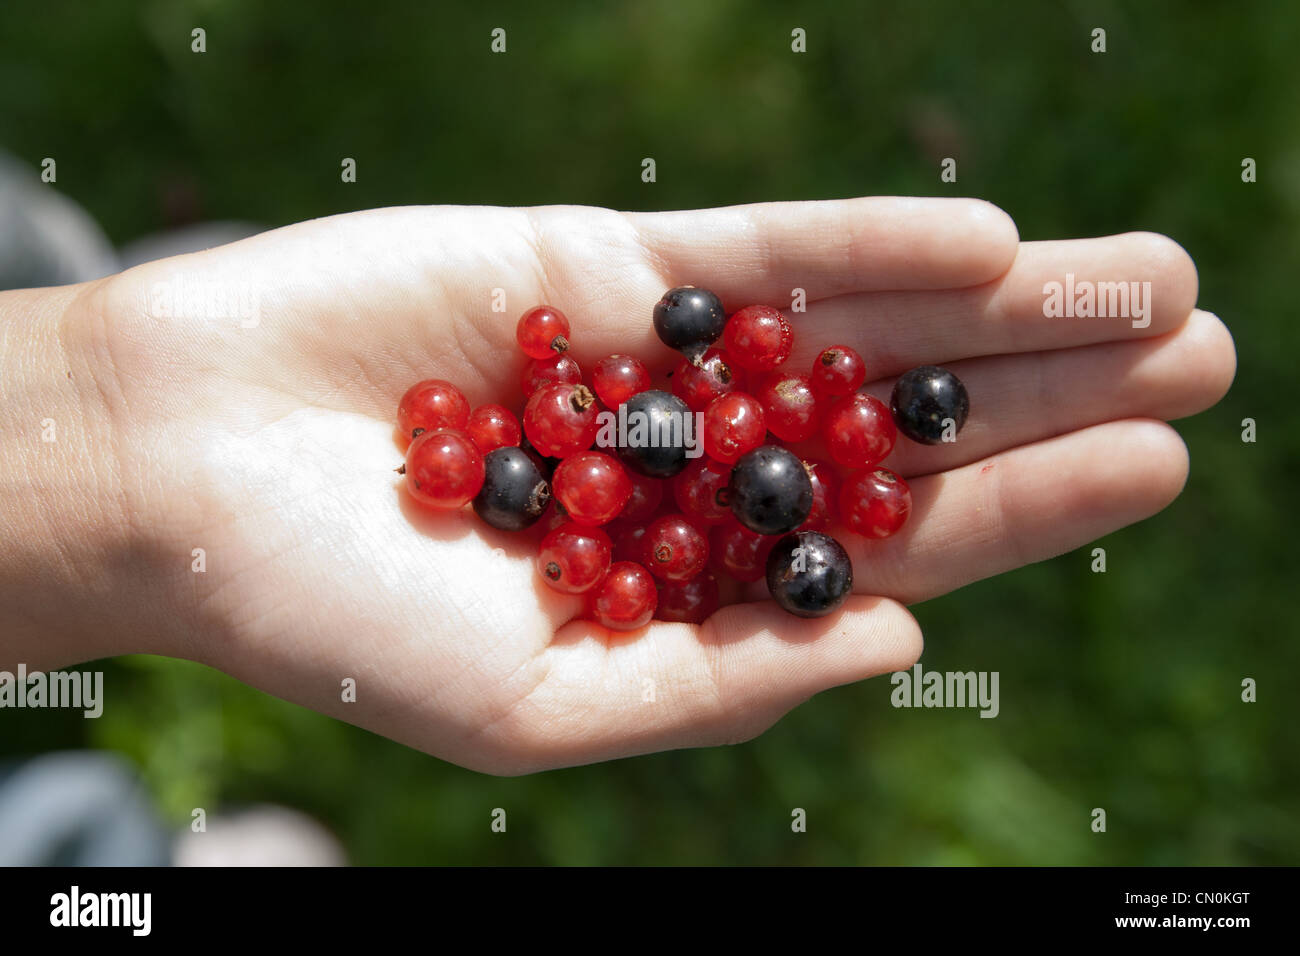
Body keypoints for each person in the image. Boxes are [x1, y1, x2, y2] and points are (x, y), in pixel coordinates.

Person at [0, 197, 1236, 774]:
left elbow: (723, 462)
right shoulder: (588, 451)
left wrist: (109, 409)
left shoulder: (758, 442)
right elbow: (595, 462)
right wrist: (112, 414)